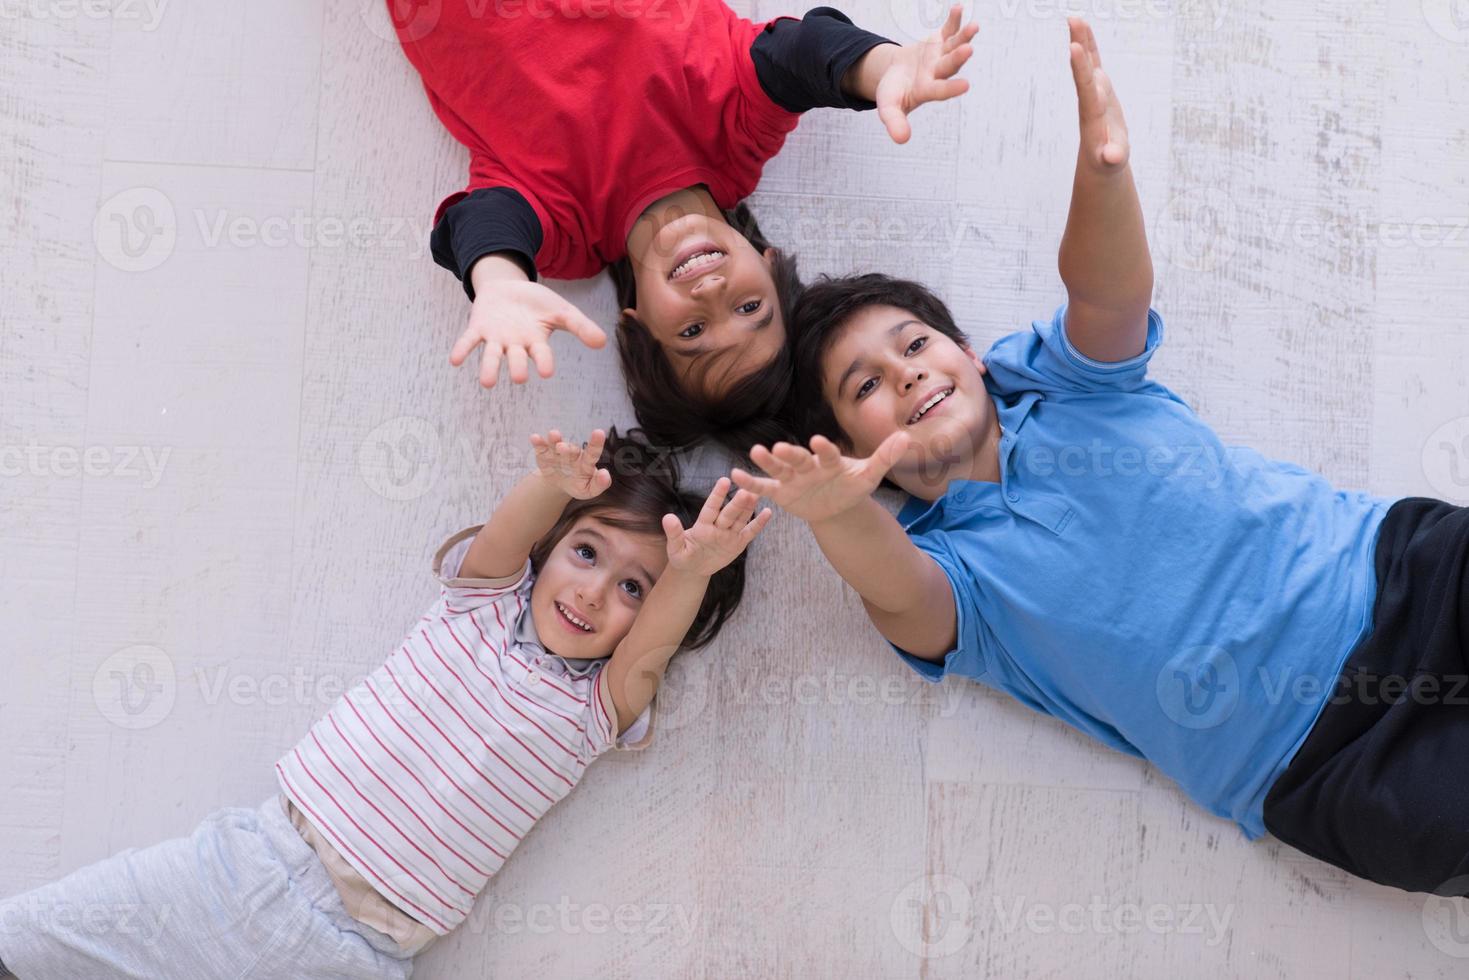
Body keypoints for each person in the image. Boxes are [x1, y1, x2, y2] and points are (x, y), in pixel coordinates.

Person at [737, 17, 1469, 897]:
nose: (906, 373)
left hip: (1399, 576)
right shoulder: (951, 575)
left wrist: (1103, 166)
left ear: (968, 353)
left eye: (916, 343)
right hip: (1317, 765)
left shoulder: (1066, 387)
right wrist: (835, 512)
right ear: (855, 449)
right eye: (865, 387)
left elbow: (1105, 288)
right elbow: (890, 584)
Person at [0, 429, 770, 977]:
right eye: (585, 551)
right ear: (550, 548)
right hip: (240, 865)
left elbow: (650, 650)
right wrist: (552, 485)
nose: (593, 591)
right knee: (27, 940)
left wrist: (691, 571)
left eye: (633, 588)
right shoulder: (480, 604)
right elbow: (510, 533)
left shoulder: (593, 712)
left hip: (356, 953)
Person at [393, 0, 978, 452]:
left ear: (639, 325)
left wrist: (497, 282)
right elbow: (796, 54)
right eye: (752, 310)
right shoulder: (735, 140)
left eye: (693, 333)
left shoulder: (567, 234)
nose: (713, 294)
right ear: (769, 263)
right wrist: (880, 66)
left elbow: (487, 219)